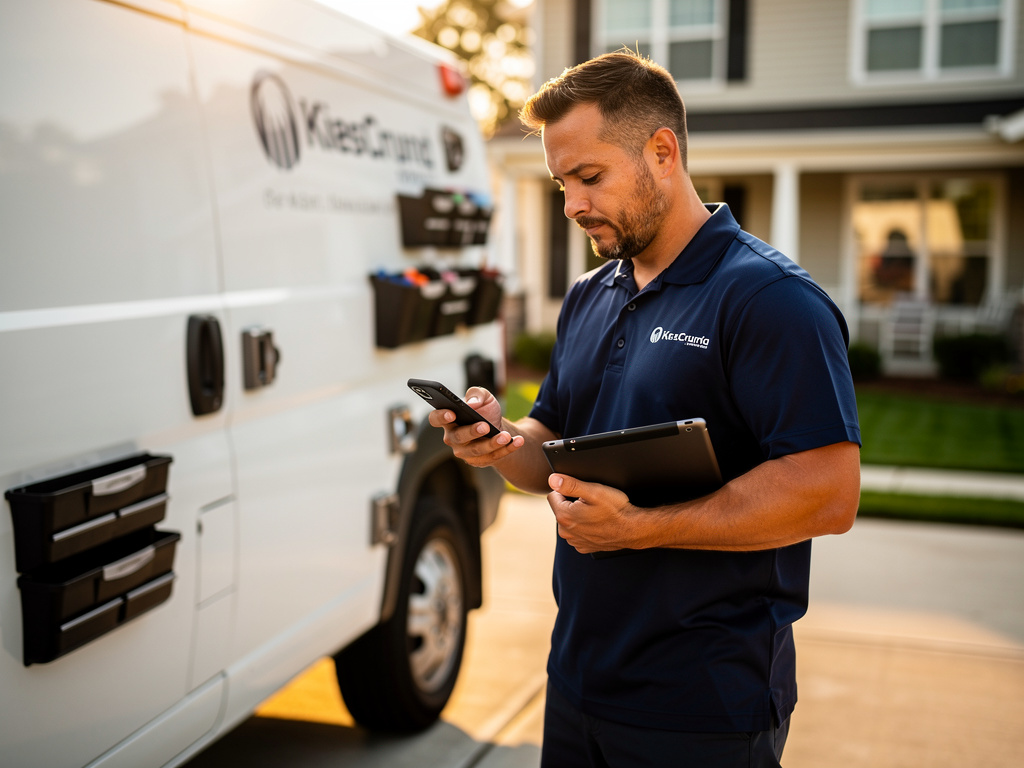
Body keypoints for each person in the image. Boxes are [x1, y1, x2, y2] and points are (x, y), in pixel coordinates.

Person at [429, 51, 861, 768]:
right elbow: (549, 444)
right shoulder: (587, 295)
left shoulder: (772, 300)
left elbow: (828, 493)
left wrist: (642, 529)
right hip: (577, 682)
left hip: (704, 706)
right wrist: (502, 441)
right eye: (562, 183)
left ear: (663, 151)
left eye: (589, 177)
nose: (571, 205)